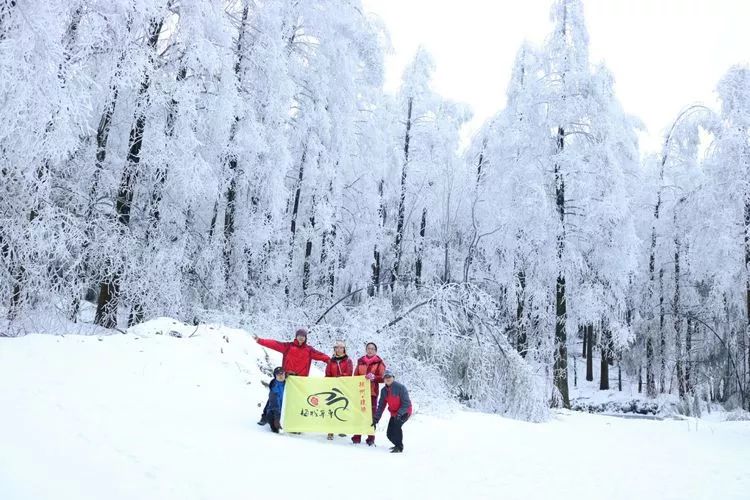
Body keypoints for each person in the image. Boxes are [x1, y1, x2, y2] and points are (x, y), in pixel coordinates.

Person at [255, 327, 330, 425]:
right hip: (286, 378)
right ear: (296, 336)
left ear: (306, 338)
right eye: (299, 336)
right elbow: (275, 344)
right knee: (274, 396)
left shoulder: (309, 350)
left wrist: (330, 360)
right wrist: (260, 340)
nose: (301, 338)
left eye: (303, 336)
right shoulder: (288, 346)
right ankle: (265, 417)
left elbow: (321, 355)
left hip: (299, 381)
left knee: (296, 401)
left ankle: (293, 422)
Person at [351, 342, 385, 446]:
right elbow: (355, 375)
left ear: (375, 351)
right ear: (366, 349)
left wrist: (374, 377)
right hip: (361, 391)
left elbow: (383, 377)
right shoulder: (360, 361)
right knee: (359, 414)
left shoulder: (379, 362)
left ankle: (370, 438)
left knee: (371, 415)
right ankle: (356, 437)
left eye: (372, 349)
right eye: (368, 348)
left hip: (372, 392)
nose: (370, 350)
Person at [373, 370, 412, 453]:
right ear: (383, 380)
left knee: (397, 427)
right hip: (394, 413)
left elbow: (406, 403)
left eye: (389, 377)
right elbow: (381, 406)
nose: (387, 379)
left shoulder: (401, 388)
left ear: (393, 378)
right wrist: (376, 418)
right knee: (389, 434)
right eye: (385, 377)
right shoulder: (384, 391)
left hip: (405, 411)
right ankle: (396, 444)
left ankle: (399, 447)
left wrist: (400, 413)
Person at [325, 340, 354, 440]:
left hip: (343, 387)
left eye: (341, 347)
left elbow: (349, 373)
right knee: (331, 408)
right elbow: (327, 374)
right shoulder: (330, 361)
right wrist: (329, 381)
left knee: (342, 407)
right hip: (332, 388)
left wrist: (340, 377)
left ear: (344, 349)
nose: (339, 349)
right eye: (337, 347)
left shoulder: (348, 361)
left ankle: (341, 428)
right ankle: (330, 430)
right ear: (334, 349)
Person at [263, 367, 286, 433]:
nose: (280, 376)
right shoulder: (274, 387)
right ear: (275, 376)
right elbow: (274, 404)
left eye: (282, 374)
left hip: (286, 411)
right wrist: (277, 418)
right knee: (275, 429)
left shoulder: (288, 384)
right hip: (274, 412)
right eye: (278, 374)